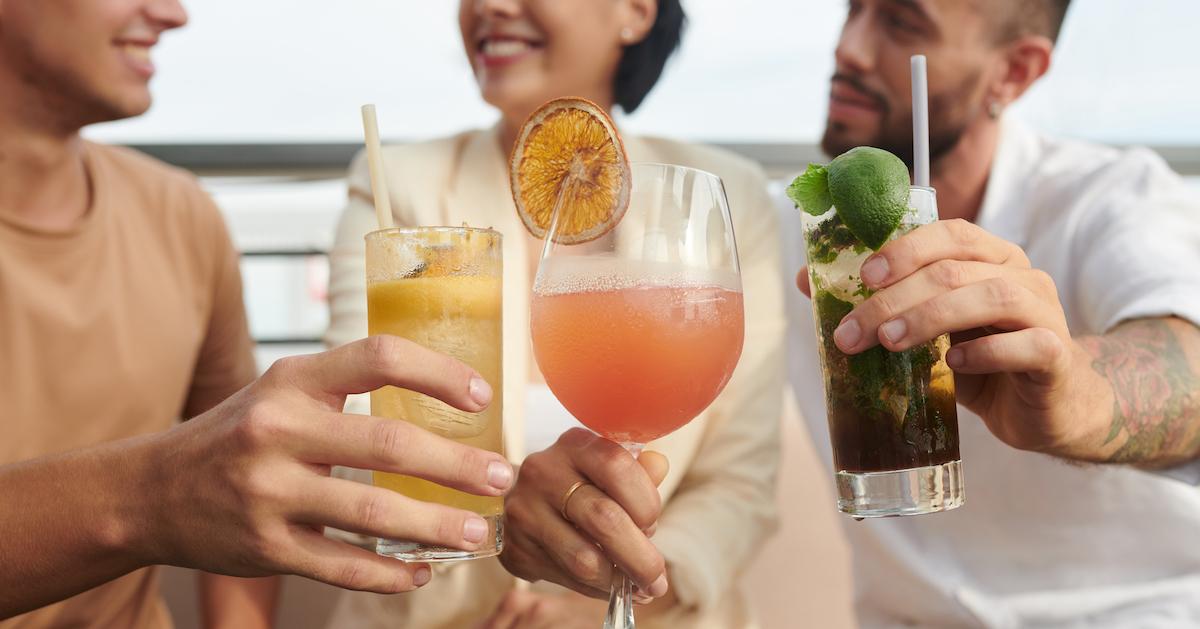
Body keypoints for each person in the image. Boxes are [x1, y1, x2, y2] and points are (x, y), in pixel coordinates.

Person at [0, 0, 513, 625]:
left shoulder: (181, 214)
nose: (171, 13)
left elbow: (248, 488)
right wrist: (154, 495)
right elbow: (197, 482)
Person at [323, 0, 787, 627]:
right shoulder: (398, 187)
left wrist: (630, 589)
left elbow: (740, 484)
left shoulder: (721, 194)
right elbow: (351, 439)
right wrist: (505, 510)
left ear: (635, 11)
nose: (490, 6)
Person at [782, 0, 1200, 625]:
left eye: (901, 23)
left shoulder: (1112, 199)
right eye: (853, 10)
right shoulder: (808, 232)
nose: (850, 47)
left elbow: (1191, 367)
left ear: (1014, 72)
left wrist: (1078, 395)